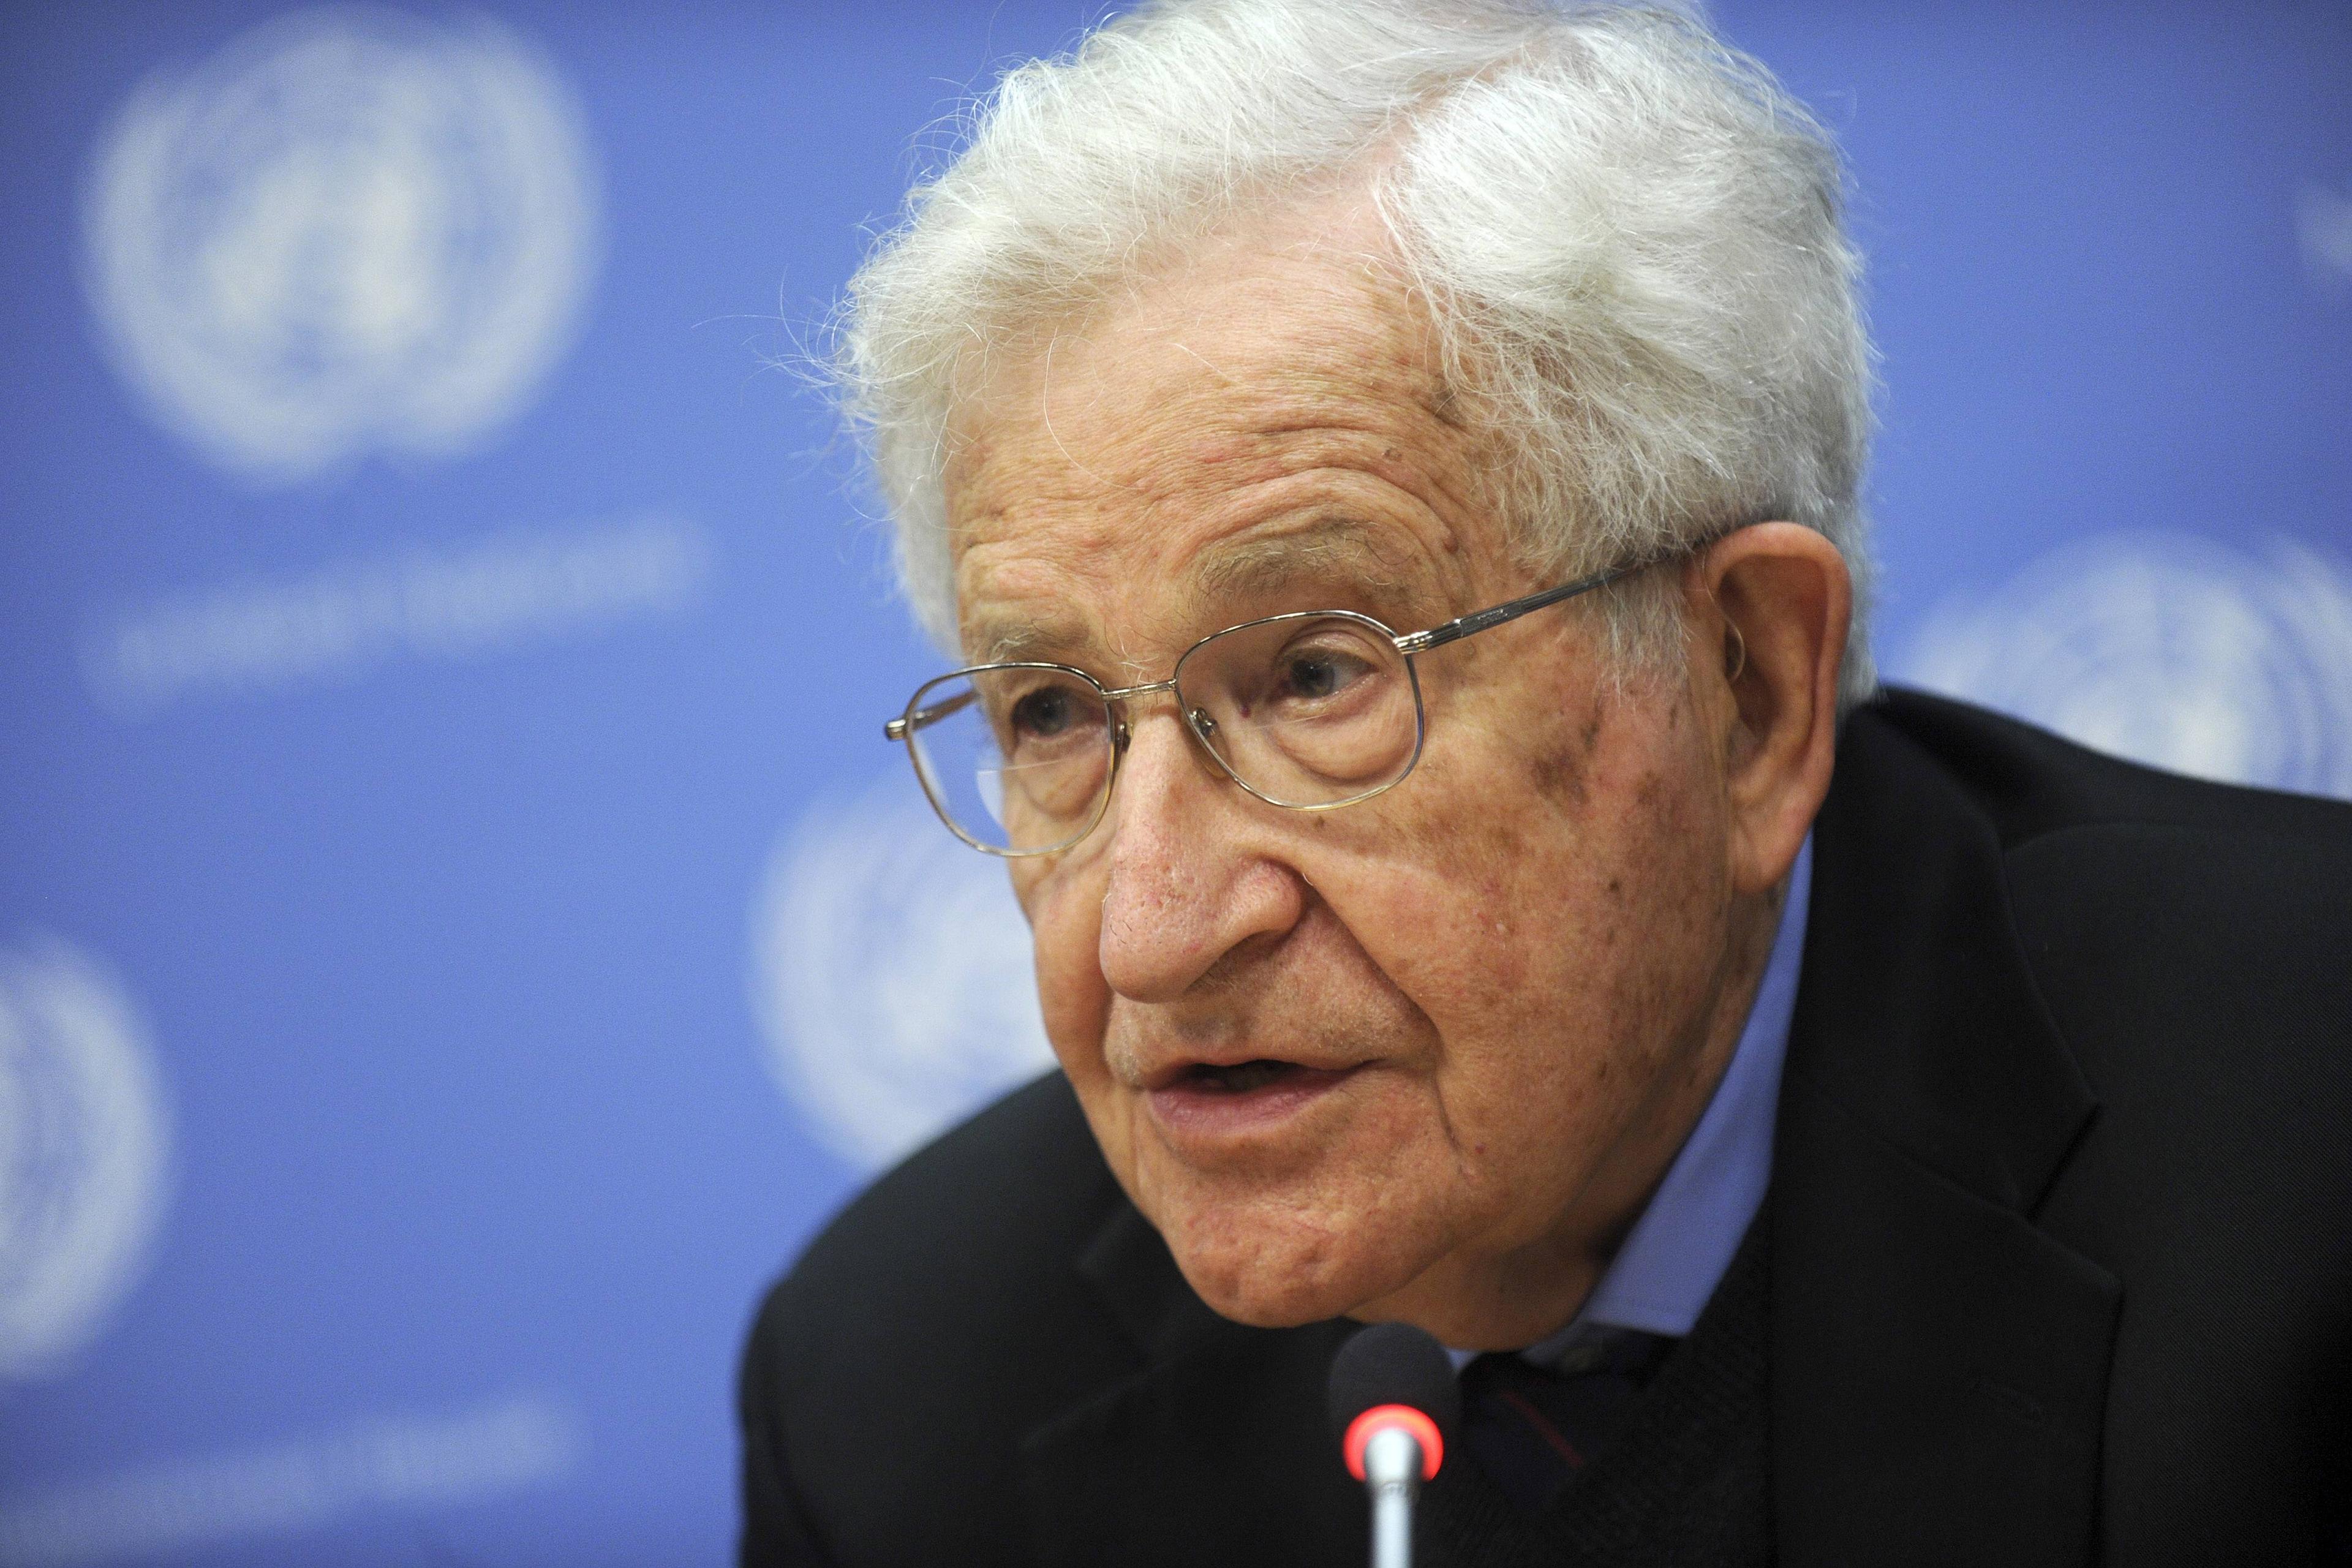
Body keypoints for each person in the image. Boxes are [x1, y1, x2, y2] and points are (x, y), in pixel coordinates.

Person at [737, 3, 2352, 1563]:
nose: (1149, 935)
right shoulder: (897, 1400)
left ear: (1747, 689)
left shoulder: (2302, 1173)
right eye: (1056, 714)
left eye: (1316, 676)